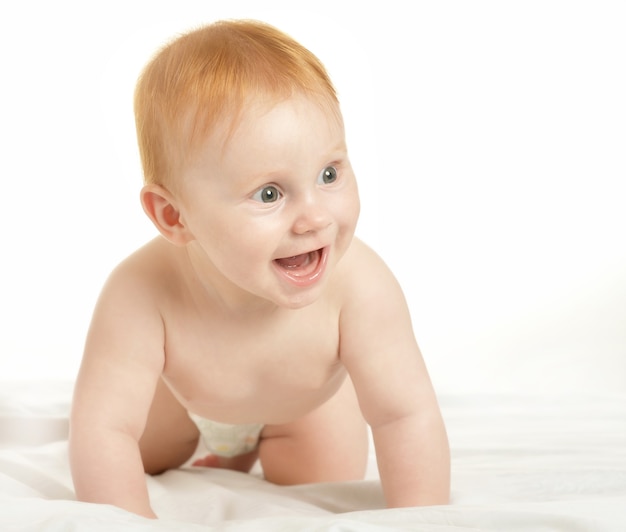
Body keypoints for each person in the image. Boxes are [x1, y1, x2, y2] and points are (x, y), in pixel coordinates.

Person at [68, 19, 450, 519]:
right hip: (179, 404)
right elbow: (104, 427)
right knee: (133, 461)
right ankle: (223, 450)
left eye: (328, 174)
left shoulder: (360, 288)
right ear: (174, 215)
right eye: (269, 194)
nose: (315, 217)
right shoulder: (139, 293)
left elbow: (405, 415)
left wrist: (423, 520)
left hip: (306, 410)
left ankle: (252, 448)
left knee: (323, 483)